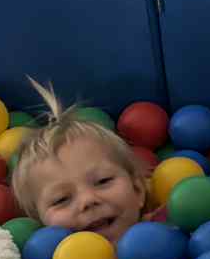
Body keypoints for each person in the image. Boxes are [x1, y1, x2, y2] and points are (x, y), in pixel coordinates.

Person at [8, 80, 153, 242]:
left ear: (138, 190)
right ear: (42, 225)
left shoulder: (167, 231)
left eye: (103, 181)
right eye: (61, 199)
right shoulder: (43, 257)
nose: (88, 200)